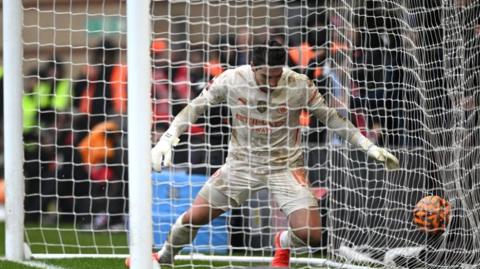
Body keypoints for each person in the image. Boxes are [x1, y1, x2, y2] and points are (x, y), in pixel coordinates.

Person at [134, 40, 399, 267]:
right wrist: (167, 139)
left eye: (276, 76)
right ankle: (164, 256)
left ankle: (281, 242)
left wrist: (369, 146)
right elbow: (194, 108)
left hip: (285, 167)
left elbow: (333, 119)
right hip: (241, 165)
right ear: (253, 68)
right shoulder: (231, 80)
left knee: (312, 234)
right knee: (195, 218)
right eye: (265, 77)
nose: (272, 83)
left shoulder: (299, 85)